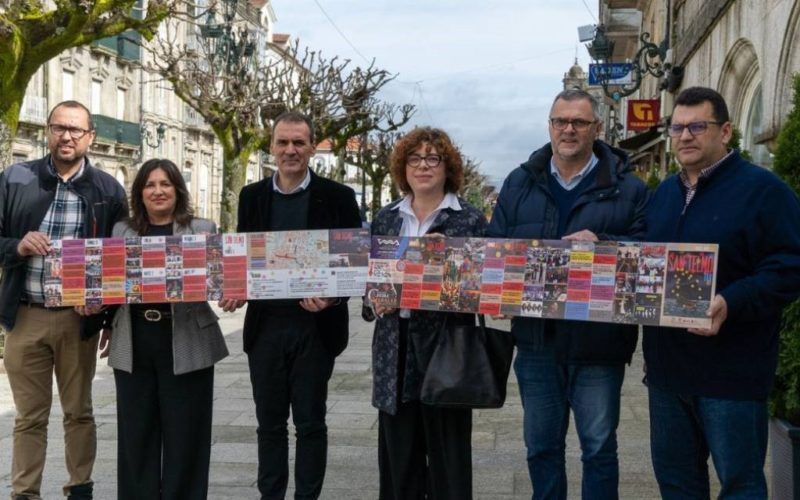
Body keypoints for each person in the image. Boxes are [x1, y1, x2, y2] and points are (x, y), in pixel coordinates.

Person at [487, 89, 648, 500]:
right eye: (560, 121)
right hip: (537, 342)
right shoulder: (520, 182)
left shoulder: (629, 188)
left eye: (578, 122)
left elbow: (649, 255)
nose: (569, 129)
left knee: (598, 448)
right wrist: (497, 291)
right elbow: (494, 249)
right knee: (541, 447)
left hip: (600, 344)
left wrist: (604, 243)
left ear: (596, 128)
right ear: (550, 126)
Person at [643, 86, 800, 499]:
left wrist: (733, 301)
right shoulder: (664, 193)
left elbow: (790, 265)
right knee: (677, 486)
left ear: (726, 131)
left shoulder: (764, 191)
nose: (685, 136)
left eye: (698, 126)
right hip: (667, 374)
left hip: (732, 374)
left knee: (741, 486)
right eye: (677, 127)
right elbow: (643, 255)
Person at [220, 111, 361, 499]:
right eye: (283, 142)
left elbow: (354, 263)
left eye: (299, 142)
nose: (290, 150)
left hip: (315, 328)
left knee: (311, 422)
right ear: (271, 147)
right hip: (265, 326)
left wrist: (332, 296)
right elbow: (244, 260)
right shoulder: (251, 197)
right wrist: (236, 288)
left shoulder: (339, 197)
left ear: (312, 147)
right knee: (269, 424)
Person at [0, 101, 128, 500]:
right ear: (48, 132)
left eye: (76, 130)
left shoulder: (109, 190)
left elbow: (120, 260)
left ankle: (79, 488)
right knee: (29, 417)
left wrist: (107, 316)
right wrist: (16, 245)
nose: (67, 136)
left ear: (90, 136)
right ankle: (25, 493)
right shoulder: (15, 178)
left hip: (78, 320)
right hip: (26, 315)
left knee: (79, 412)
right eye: (59, 128)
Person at [365, 127, 487, 499]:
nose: (423, 166)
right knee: (399, 464)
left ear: (447, 167)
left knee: (449, 462)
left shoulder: (468, 220)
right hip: (395, 349)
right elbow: (370, 286)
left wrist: (444, 261)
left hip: (446, 348)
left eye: (433, 158)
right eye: (414, 159)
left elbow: (479, 290)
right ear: (403, 168)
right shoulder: (386, 219)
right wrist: (377, 300)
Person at [104, 159, 229, 499]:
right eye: (149, 185)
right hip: (136, 340)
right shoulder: (122, 231)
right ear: (139, 193)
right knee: (136, 436)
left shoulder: (202, 228)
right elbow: (111, 283)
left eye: (165, 184)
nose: (158, 191)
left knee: (186, 437)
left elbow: (220, 281)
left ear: (178, 190)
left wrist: (234, 290)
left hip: (188, 338)